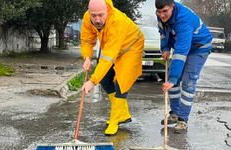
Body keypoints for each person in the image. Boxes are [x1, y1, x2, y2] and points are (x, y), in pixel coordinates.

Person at [80, 0, 144, 135]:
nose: (97, 19)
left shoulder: (117, 22)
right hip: (114, 48)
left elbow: (108, 57)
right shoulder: (87, 18)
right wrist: (86, 57)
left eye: (101, 15)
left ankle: (115, 120)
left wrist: (92, 81)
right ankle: (123, 113)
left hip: (131, 47)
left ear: (107, 11)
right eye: (94, 15)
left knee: (121, 82)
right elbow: (86, 40)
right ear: (89, 12)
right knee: (104, 79)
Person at [155, 0, 212, 133]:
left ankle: (183, 120)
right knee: (173, 82)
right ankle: (174, 114)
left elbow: (181, 52)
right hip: (184, 45)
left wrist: (173, 78)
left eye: (165, 12)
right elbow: (163, 33)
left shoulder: (184, 20)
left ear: (172, 7)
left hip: (199, 48)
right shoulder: (161, 15)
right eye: (159, 12)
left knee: (187, 82)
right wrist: (165, 48)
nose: (162, 15)